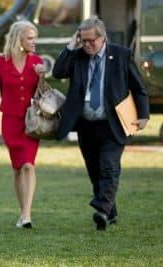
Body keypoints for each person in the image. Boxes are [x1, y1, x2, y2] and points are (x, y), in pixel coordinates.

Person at [52, 16, 149, 230]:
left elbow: (138, 87)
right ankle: (111, 211)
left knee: (109, 167)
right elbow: (58, 72)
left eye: (91, 40)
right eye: (83, 40)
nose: (87, 45)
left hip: (114, 123)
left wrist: (143, 115)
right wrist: (70, 46)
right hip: (86, 125)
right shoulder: (77, 56)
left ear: (102, 37)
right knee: (94, 171)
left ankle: (103, 211)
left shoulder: (122, 55)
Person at [0, 20, 46, 229]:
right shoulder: (1, 62)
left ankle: (27, 215)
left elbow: (44, 95)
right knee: (18, 167)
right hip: (10, 122)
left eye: (35, 38)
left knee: (28, 164)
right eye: (30, 38)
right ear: (18, 39)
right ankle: (23, 212)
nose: (34, 42)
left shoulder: (37, 61)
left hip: (31, 123)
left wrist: (42, 76)